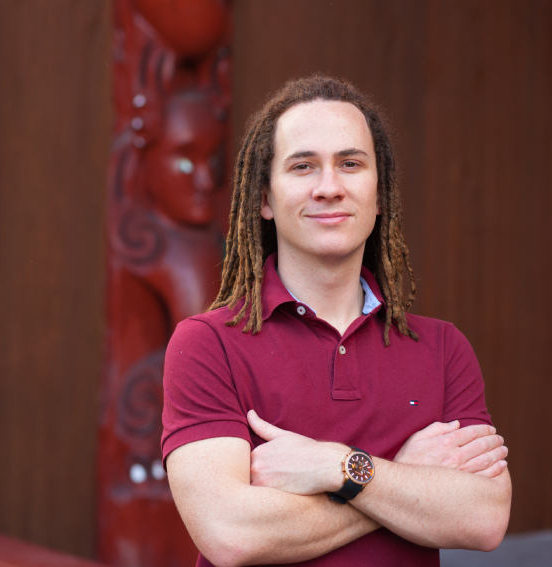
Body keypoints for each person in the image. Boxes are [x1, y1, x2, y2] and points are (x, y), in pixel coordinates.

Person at [160, 75, 511, 567]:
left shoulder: (443, 348)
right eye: (303, 166)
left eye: (350, 164)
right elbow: (230, 534)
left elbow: (484, 517)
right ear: (264, 199)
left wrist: (334, 466)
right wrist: (399, 479)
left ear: (379, 191)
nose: (329, 187)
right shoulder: (207, 344)